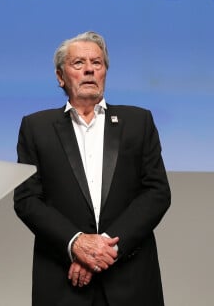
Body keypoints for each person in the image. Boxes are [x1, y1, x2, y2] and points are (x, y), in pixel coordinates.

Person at [13, 31, 171, 306]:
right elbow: (27, 200)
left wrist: (103, 249)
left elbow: (157, 193)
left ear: (105, 73)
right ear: (61, 77)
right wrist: (75, 244)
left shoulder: (138, 121)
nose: (89, 69)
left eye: (97, 63)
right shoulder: (36, 128)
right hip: (64, 281)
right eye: (78, 63)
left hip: (131, 280)